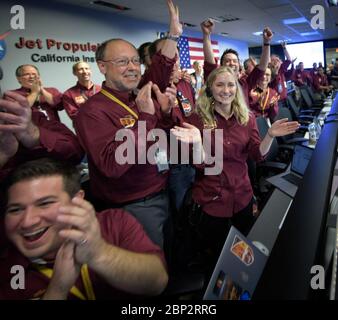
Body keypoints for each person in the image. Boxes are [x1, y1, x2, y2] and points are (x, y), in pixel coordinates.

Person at [171, 66, 299, 273]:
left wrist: (270, 135)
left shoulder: (246, 118)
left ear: (236, 89)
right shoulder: (196, 120)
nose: (226, 90)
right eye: (219, 84)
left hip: (243, 198)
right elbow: (201, 165)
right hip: (211, 202)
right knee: (217, 260)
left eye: (230, 85)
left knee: (244, 253)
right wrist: (196, 143)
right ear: (210, 88)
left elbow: (257, 155)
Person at [0, 158, 168, 299]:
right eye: (15, 209)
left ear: (77, 200)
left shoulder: (114, 223)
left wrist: (98, 254)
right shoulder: (10, 269)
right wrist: (58, 289)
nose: (28, 222)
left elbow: (157, 282)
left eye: (45, 204)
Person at [75, 38, 177, 249]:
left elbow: (160, 139)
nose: (132, 68)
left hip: (162, 190)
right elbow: (112, 163)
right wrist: (147, 118)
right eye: (123, 62)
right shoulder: (92, 112)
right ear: (102, 66)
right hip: (134, 205)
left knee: (168, 256)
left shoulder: (138, 98)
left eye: (135, 61)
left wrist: (165, 114)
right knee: (148, 270)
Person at [0, 92, 84, 252]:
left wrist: (32, 134)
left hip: (58, 234)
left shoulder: (26, 115)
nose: (28, 221)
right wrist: (2, 155)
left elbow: (75, 151)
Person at [200, 20, 272, 107]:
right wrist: (206, 35)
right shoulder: (215, 81)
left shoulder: (245, 83)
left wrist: (267, 43)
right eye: (227, 61)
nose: (232, 63)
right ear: (221, 65)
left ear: (239, 65)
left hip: (244, 120)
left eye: (235, 61)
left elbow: (262, 68)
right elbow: (210, 62)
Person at [268, 41, 294, 107]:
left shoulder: (281, 69)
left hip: (284, 99)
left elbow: (289, 60)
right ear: (271, 63)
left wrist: (284, 48)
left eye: (278, 60)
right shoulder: (269, 72)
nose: (279, 61)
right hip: (276, 102)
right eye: (275, 60)